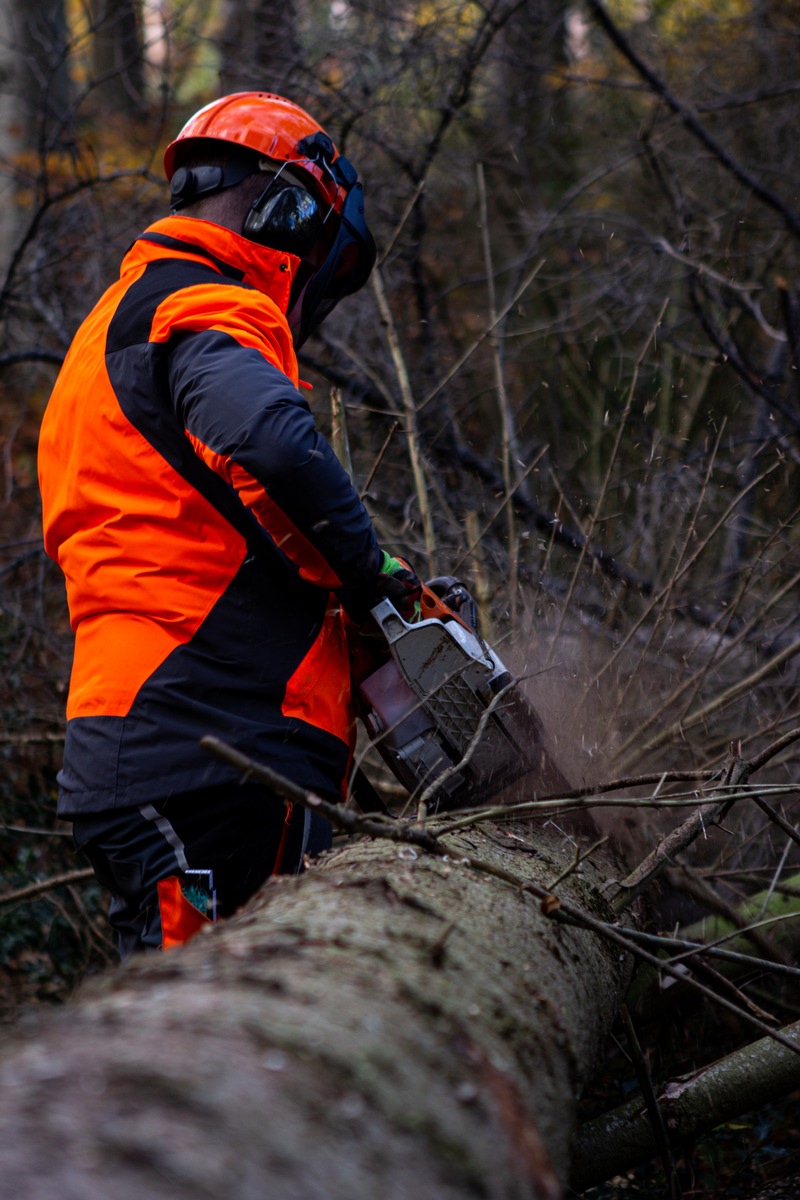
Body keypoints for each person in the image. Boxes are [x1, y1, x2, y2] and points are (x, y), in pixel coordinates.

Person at [38, 92, 421, 958]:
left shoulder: (115, 324)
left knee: (224, 1037)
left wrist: (354, 618)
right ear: (288, 209)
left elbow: (198, 540)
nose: (314, 273)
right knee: (197, 1055)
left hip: (168, 736)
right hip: (211, 749)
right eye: (319, 245)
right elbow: (273, 451)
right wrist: (375, 582)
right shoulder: (206, 308)